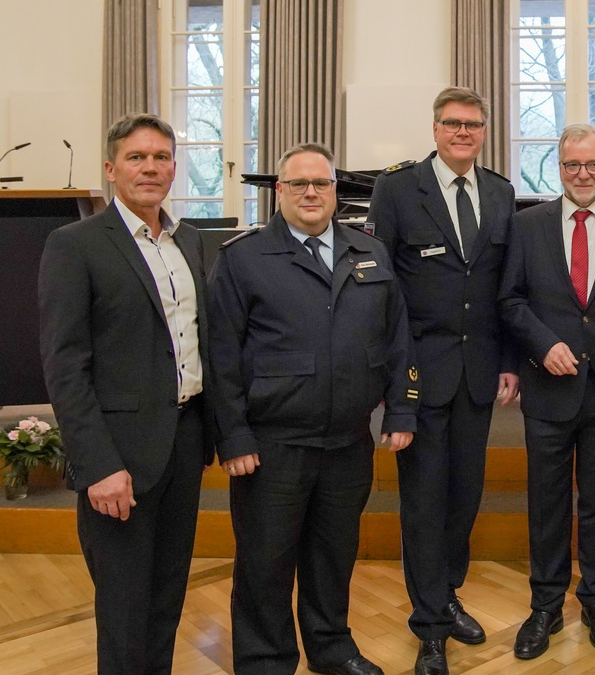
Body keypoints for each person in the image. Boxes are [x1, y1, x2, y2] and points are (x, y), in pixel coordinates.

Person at [208, 143, 417, 675]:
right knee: (265, 564)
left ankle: (332, 647)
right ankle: (264, 660)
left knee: (332, 557)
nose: (310, 193)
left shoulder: (368, 251)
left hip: (349, 441)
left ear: (334, 191)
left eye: (320, 184)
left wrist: (400, 411)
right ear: (279, 191)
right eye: (298, 184)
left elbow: (397, 339)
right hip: (272, 446)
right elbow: (221, 355)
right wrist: (232, 436)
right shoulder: (244, 257)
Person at [38, 113, 212, 675]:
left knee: (166, 598)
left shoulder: (192, 243)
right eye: (137, 157)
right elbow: (66, 366)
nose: (151, 168)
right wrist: (97, 466)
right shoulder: (75, 245)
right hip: (120, 457)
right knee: (123, 607)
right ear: (111, 169)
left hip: (184, 445)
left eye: (161, 157)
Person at [367, 86, 519, 675]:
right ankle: (429, 626)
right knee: (424, 502)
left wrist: (508, 358)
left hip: (479, 373)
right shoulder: (398, 189)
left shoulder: (502, 193)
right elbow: (382, 289)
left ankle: (446, 592)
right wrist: (390, 375)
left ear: (484, 131)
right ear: (434, 129)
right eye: (453, 124)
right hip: (419, 373)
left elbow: (507, 288)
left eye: (474, 125)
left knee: (465, 498)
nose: (463, 133)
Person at [499, 123, 595, 660]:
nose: (582, 174)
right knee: (546, 503)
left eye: (593, 165)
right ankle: (544, 604)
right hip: (549, 387)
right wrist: (542, 346)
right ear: (557, 168)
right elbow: (511, 300)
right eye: (572, 166)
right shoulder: (526, 225)